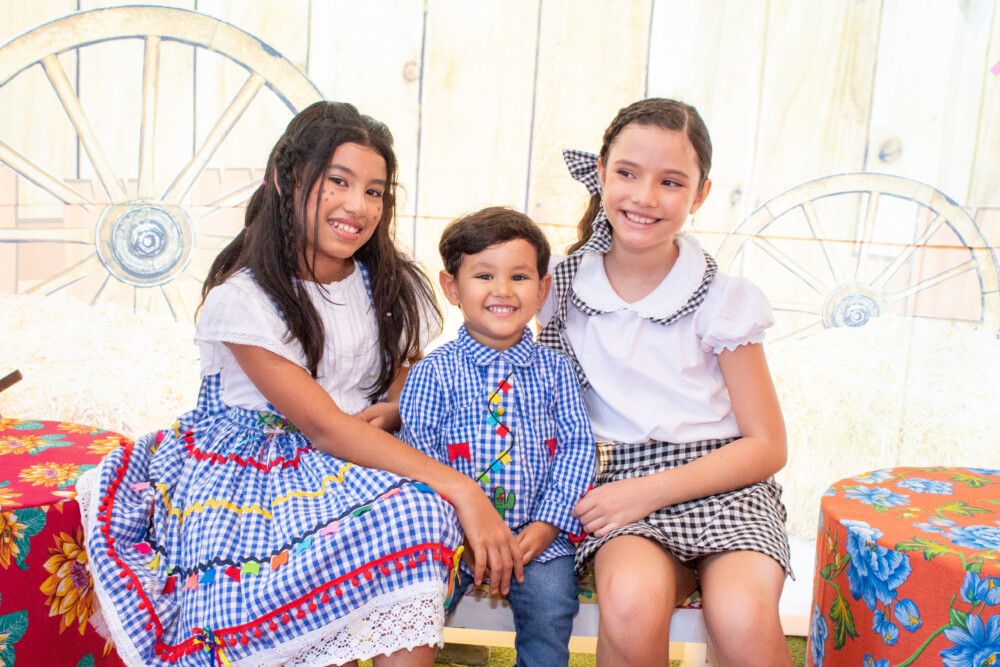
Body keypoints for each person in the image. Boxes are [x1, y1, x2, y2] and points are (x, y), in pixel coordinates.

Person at [76, 101, 523, 667]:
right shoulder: (245, 298)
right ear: (288, 180)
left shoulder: (385, 281)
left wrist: (394, 402)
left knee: (419, 514)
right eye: (338, 182)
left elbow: (403, 365)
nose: (357, 206)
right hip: (256, 475)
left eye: (374, 191)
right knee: (418, 508)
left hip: (354, 454)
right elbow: (323, 426)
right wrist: (463, 488)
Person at [537, 98, 794, 666]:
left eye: (671, 182)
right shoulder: (556, 286)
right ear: (601, 172)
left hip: (725, 484)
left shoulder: (724, 300)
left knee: (743, 618)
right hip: (618, 486)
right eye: (627, 173)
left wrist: (650, 492)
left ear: (700, 194)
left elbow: (767, 445)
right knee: (631, 604)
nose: (645, 197)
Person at [397, 207, 596, 667]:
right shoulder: (433, 372)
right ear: (452, 287)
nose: (503, 290)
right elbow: (417, 455)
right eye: (484, 275)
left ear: (542, 289)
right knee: (417, 599)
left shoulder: (556, 370)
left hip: (539, 541)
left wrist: (548, 525)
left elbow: (577, 448)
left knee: (551, 608)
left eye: (519, 277)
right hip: (452, 537)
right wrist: (462, 531)